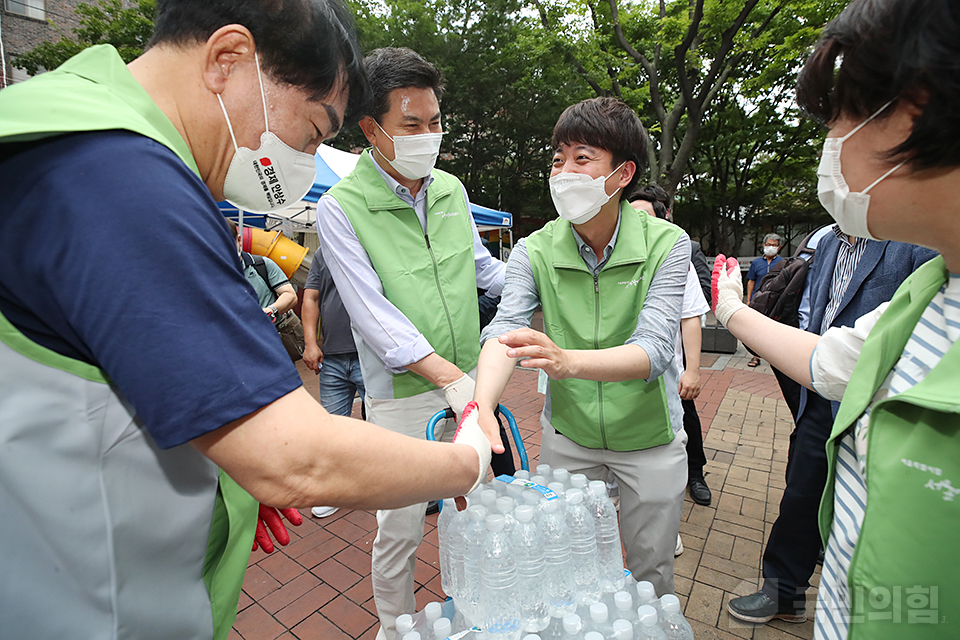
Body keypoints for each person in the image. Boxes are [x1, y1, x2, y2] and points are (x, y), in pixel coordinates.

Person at [0, 3, 492, 639]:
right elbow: (295, 460)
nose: (308, 160)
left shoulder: (74, 131)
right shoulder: (121, 180)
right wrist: (469, 461)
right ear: (229, 60)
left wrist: (223, 474)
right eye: (315, 131)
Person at [712, 1, 960, 637]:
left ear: (917, 105)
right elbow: (832, 359)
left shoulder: (918, 264)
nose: (830, 148)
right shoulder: (930, 294)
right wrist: (735, 311)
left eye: (838, 118)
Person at [315, 48, 505, 640]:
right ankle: (394, 629)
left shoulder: (449, 188)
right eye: (412, 125)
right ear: (371, 130)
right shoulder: (340, 209)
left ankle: (475, 613)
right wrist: (450, 378)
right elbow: (375, 318)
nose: (430, 137)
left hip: (472, 385)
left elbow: (484, 271)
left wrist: (538, 291)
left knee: (476, 508)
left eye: (436, 122)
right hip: (404, 392)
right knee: (398, 526)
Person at [474, 97, 690, 595]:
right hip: (569, 437)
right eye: (557, 158)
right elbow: (504, 329)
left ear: (622, 174)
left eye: (582, 157)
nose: (563, 171)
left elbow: (655, 349)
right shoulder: (535, 248)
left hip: (650, 437)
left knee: (651, 571)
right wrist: (482, 405)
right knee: (566, 565)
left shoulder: (668, 243)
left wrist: (566, 361)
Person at [727, 227, 936, 625]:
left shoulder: (914, 240)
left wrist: (733, 311)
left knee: (872, 506)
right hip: (819, 392)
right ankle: (784, 591)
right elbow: (813, 312)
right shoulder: (827, 243)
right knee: (802, 490)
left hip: (879, 401)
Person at [630, 188, 713, 508]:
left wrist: (692, 370)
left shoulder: (677, 257)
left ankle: (694, 475)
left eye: (645, 217)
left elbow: (690, 316)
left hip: (667, 370)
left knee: (681, 427)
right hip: (623, 374)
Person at [301, 248, 367, 518]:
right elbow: (311, 297)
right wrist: (310, 343)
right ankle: (335, 491)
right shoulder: (322, 252)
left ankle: (387, 483)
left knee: (386, 424)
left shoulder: (372, 238)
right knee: (331, 430)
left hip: (372, 356)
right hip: (332, 358)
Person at [227, 219, 305, 362]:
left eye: (227, 245)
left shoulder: (261, 265)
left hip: (271, 344)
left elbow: (290, 295)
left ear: (239, 241)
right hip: (233, 349)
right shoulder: (209, 275)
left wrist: (271, 310)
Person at [745, 233, 783, 367]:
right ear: (763, 245)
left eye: (774, 245)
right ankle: (755, 356)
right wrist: (749, 299)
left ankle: (776, 359)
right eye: (768, 245)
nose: (771, 247)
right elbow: (751, 281)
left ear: (779, 247)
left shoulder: (783, 263)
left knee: (774, 329)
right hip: (758, 300)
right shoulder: (756, 263)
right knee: (756, 329)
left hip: (775, 300)